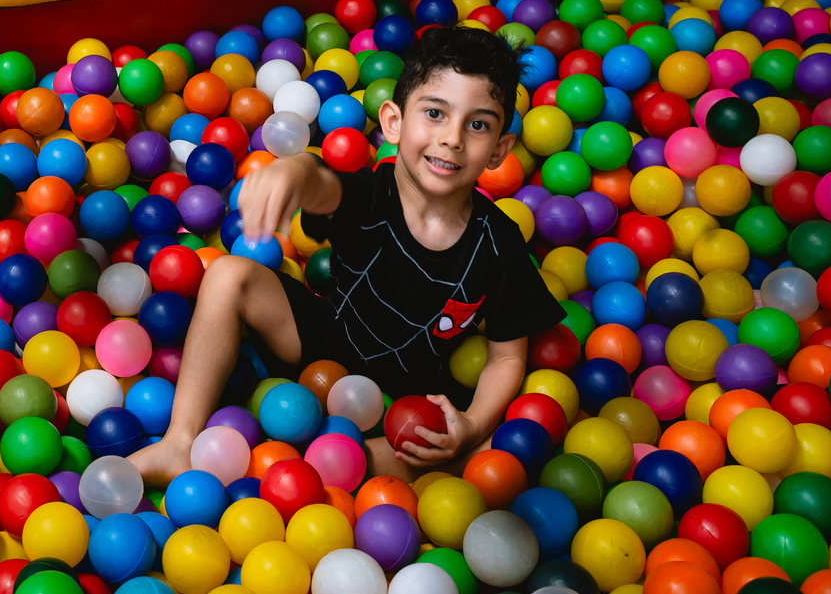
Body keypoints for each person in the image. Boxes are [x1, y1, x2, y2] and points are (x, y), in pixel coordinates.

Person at [130, 26, 565, 486]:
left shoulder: (499, 241)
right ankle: (180, 442)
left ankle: (291, 478)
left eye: (477, 124)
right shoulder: (369, 194)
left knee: (476, 448)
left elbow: (506, 359)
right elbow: (322, 185)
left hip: (411, 399)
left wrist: (472, 424)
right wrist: (296, 170)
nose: (452, 138)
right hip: (330, 339)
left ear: (499, 150)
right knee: (227, 274)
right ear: (394, 122)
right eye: (435, 113)